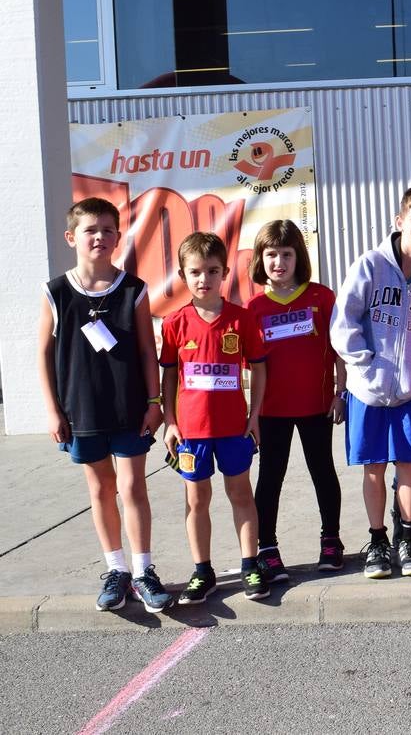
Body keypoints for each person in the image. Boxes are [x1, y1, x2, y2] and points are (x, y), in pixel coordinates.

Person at [37, 198, 172, 612]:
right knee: (101, 490)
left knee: (133, 487)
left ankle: (143, 570)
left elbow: (150, 352)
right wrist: (53, 410)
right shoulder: (56, 292)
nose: (99, 236)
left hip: (130, 408)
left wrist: (155, 401)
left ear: (118, 236)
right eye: (90, 229)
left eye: (107, 230)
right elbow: (43, 353)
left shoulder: (133, 289)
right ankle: (116, 570)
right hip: (83, 411)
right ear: (71, 237)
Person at [331, 185, 411, 579]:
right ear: (400, 221)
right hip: (367, 389)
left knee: (409, 467)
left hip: (409, 391)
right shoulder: (369, 265)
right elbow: (344, 321)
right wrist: (363, 366)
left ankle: (408, 540)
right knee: (374, 468)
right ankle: (378, 541)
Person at [160, 232, 270, 603]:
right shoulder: (175, 323)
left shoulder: (242, 320)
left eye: (211, 271)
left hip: (234, 429)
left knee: (241, 494)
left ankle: (251, 565)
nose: (203, 279)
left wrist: (255, 416)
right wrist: (170, 422)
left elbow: (258, 369)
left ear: (224, 272)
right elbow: (170, 374)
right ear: (182, 275)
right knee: (196, 501)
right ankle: (202, 571)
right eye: (195, 272)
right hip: (192, 432)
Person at [246, 220, 346, 582]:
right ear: (261, 259)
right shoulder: (253, 308)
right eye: (271, 254)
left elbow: (339, 352)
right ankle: (267, 547)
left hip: (316, 405)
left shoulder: (322, 297)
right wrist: (252, 414)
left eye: (286, 254)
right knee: (271, 476)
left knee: (323, 472)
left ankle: (331, 539)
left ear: (298, 257)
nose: (278, 262)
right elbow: (251, 368)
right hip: (272, 411)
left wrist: (340, 392)